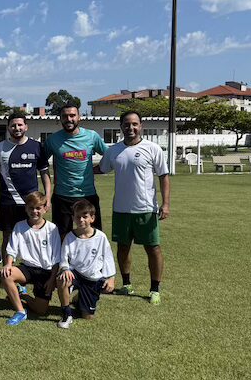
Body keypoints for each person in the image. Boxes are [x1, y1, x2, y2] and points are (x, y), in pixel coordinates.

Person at [99, 111, 170, 304]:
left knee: (153, 248)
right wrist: (75, 167)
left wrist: (165, 204)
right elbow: (101, 169)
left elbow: (163, 176)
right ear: (121, 127)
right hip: (121, 209)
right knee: (123, 248)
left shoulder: (153, 148)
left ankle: (154, 289)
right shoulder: (113, 150)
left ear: (141, 126)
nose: (131, 128)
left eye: (134, 124)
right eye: (126, 124)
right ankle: (127, 284)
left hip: (146, 209)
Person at [0, 111, 51, 259]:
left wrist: (48, 197)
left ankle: (32, 267)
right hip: (8, 201)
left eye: (20, 125)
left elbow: (45, 173)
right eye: (13, 125)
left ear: (26, 127)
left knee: (33, 235)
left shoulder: (36, 146)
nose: (17, 128)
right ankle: (6, 269)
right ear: (8, 128)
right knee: (8, 236)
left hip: (32, 202)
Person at [44, 104, 107, 240]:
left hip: (87, 195)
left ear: (79, 117)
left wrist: (98, 169)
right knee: (61, 237)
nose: (69, 119)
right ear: (60, 118)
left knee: (92, 236)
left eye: (72, 115)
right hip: (62, 196)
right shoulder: (53, 140)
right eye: (65, 116)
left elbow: (109, 156)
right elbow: (41, 164)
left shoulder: (92, 136)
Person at [0, 191, 61, 326]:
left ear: (45, 208)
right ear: (26, 208)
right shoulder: (19, 226)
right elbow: (11, 249)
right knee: (6, 275)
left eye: (38, 208)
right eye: (31, 208)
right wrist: (8, 264)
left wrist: (52, 279)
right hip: (27, 268)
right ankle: (20, 311)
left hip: (45, 272)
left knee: (41, 310)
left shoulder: (52, 229)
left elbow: (57, 258)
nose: (35, 211)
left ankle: (23, 295)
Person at [56, 199, 115, 329]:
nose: (81, 220)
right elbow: (63, 258)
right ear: (73, 218)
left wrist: (111, 278)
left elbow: (108, 258)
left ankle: (79, 298)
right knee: (62, 279)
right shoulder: (69, 237)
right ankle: (67, 314)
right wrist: (65, 269)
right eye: (78, 217)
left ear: (92, 218)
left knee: (87, 317)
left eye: (85, 216)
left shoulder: (100, 237)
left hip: (92, 277)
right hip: (75, 273)